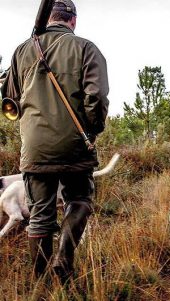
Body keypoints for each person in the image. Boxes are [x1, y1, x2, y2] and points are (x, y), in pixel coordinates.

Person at [1, 0, 109, 284]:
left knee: (39, 216)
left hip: (34, 149)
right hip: (76, 143)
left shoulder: (22, 50)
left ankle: (40, 284)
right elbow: (96, 98)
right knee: (80, 200)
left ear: (49, 18)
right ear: (72, 20)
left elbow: (9, 98)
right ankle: (64, 258)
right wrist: (92, 131)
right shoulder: (87, 48)